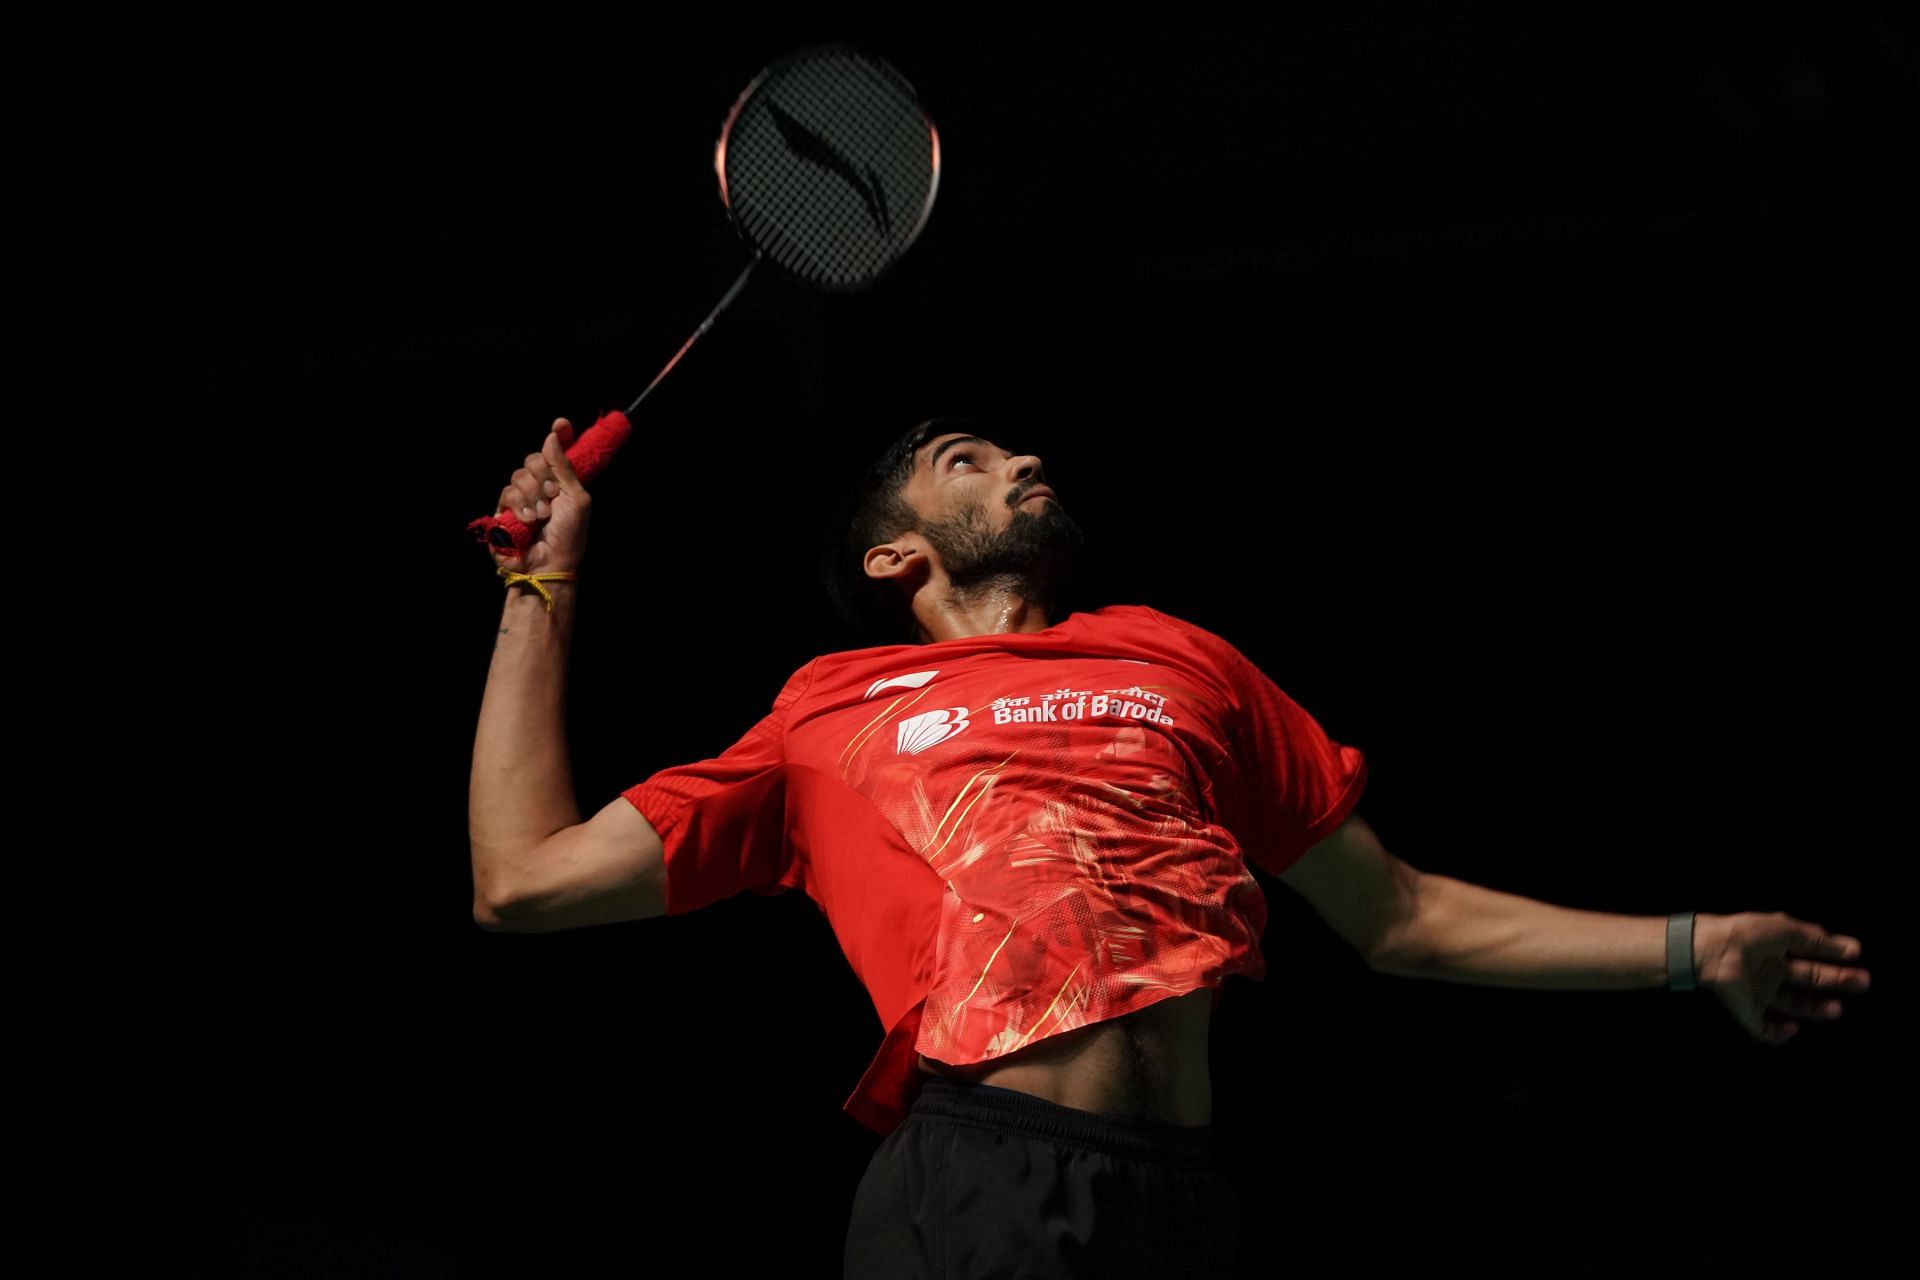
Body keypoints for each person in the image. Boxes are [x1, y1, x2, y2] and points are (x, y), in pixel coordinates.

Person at [467, 413, 1873, 1280]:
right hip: (985, 1178)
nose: (1025, 460)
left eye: (1020, 449)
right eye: (971, 458)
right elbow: (520, 882)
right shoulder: (827, 709)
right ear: (898, 558)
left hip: (1179, 1200)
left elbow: (1408, 918)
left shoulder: (1180, 660)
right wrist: (548, 574)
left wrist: (1699, 949)